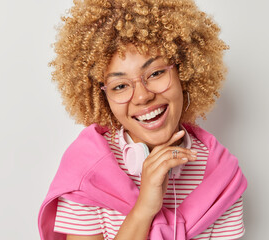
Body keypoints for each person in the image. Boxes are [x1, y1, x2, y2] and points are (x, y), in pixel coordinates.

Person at [38, 0, 247, 239]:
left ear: (184, 70)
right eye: (120, 86)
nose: (142, 96)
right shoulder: (86, 172)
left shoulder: (221, 176)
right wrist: (144, 209)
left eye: (156, 73)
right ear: (102, 96)